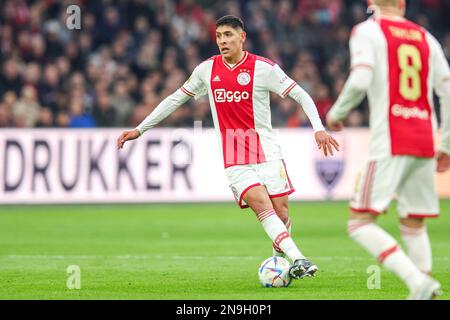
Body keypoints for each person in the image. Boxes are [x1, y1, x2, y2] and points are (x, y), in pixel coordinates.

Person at [117, 15, 339, 280]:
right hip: (234, 155)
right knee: (260, 203)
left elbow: (300, 94)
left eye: (228, 35)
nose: (222, 41)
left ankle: (278, 263)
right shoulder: (206, 70)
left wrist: (318, 128)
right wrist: (140, 129)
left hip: (267, 151)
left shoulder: (263, 68)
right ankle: (299, 259)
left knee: (281, 211)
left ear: (242, 37)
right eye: (219, 36)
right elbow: (175, 99)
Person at [326, 0, 450, 299]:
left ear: (371, 4)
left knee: (359, 222)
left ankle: (417, 282)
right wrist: (445, 141)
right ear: (403, 4)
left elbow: (360, 80)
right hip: (423, 138)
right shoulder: (424, 36)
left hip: (390, 140)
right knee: (413, 221)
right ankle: (425, 288)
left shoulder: (368, 31)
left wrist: (337, 113)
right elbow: (446, 88)